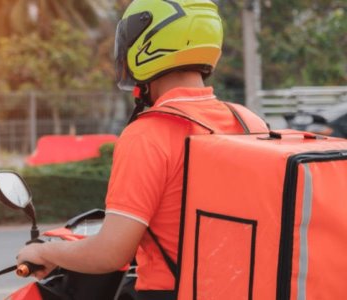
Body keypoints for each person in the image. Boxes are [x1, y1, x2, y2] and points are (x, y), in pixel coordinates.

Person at [17, 0, 263, 299]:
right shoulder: (249, 121)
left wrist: (48, 253)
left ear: (146, 46)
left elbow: (110, 254)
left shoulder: (149, 134)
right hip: (244, 288)